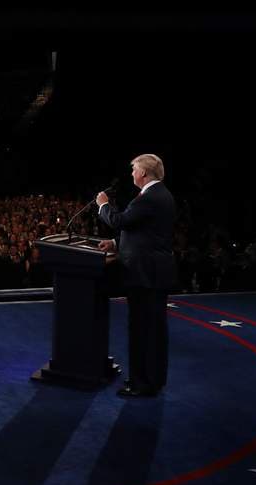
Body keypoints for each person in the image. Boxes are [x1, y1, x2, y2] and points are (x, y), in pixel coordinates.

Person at [96, 154, 177, 398]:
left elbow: (119, 220)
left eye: (134, 170)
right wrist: (115, 243)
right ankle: (153, 379)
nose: (132, 174)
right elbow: (144, 231)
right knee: (153, 330)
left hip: (145, 274)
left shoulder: (149, 197)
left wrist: (103, 205)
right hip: (153, 272)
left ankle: (142, 384)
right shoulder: (161, 194)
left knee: (142, 329)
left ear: (143, 173)